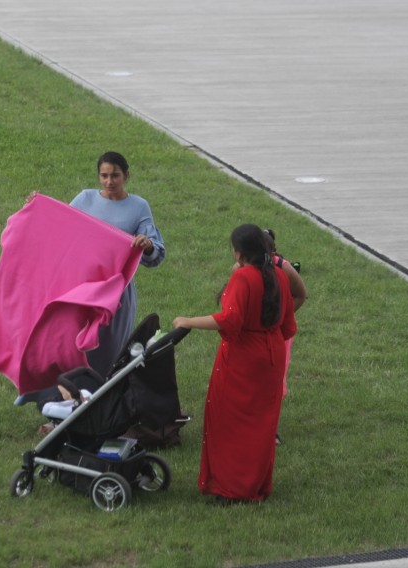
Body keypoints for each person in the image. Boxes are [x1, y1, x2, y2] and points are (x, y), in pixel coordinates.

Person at [173, 224, 296, 505]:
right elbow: (288, 322)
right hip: (272, 355)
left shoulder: (243, 278)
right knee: (262, 424)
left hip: (243, 358)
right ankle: (255, 485)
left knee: (230, 422)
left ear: (239, 254)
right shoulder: (279, 274)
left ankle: (231, 487)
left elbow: (230, 320)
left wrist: (187, 321)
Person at [69, 151, 165, 378]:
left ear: (126, 176)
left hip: (116, 294)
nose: (109, 181)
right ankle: (73, 399)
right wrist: (37, 206)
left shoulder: (139, 206)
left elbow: (157, 253)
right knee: (74, 344)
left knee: (109, 350)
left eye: (115, 175)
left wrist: (147, 245)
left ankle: (106, 403)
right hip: (82, 287)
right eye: (104, 176)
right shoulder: (85, 199)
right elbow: (61, 224)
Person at [263, 228, 307, 445]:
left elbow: (301, 294)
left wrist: (282, 319)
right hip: (253, 334)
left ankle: (271, 430)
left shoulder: (284, 268)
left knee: (275, 380)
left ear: (274, 253)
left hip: (279, 334)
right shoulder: (240, 268)